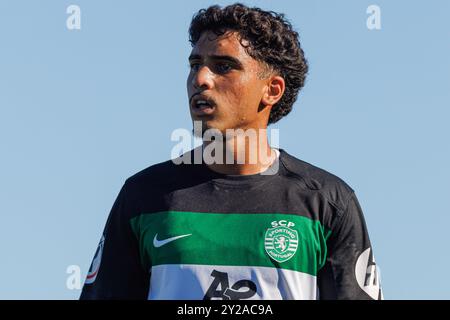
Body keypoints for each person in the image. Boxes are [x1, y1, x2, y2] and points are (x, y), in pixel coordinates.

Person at [80, 3, 382, 300]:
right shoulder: (144, 196)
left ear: (272, 90)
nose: (201, 79)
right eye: (195, 64)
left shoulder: (327, 202)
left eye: (223, 66)